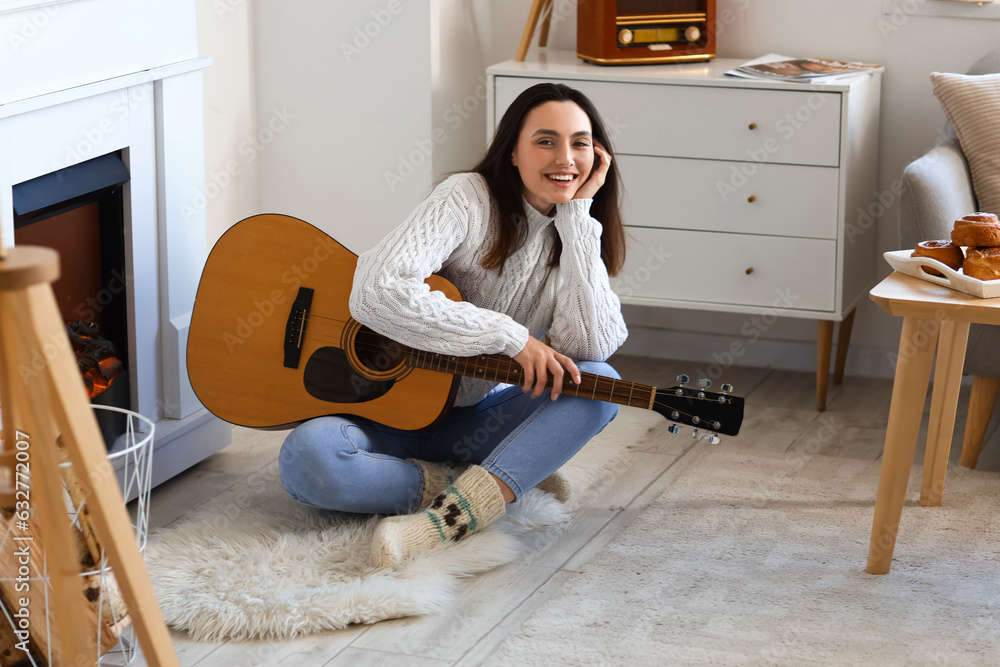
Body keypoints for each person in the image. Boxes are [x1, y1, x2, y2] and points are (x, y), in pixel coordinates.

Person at [278, 82, 629, 568]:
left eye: (580, 142)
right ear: (512, 151)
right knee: (306, 461)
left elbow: (592, 345)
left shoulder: (576, 232)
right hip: (381, 414)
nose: (565, 157)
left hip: (470, 420)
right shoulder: (467, 198)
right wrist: (510, 337)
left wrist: (576, 220)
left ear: (597, 153)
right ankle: (482, 484)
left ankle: (445, 518)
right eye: (545, 141)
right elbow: (377, 289)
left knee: (599, 385)